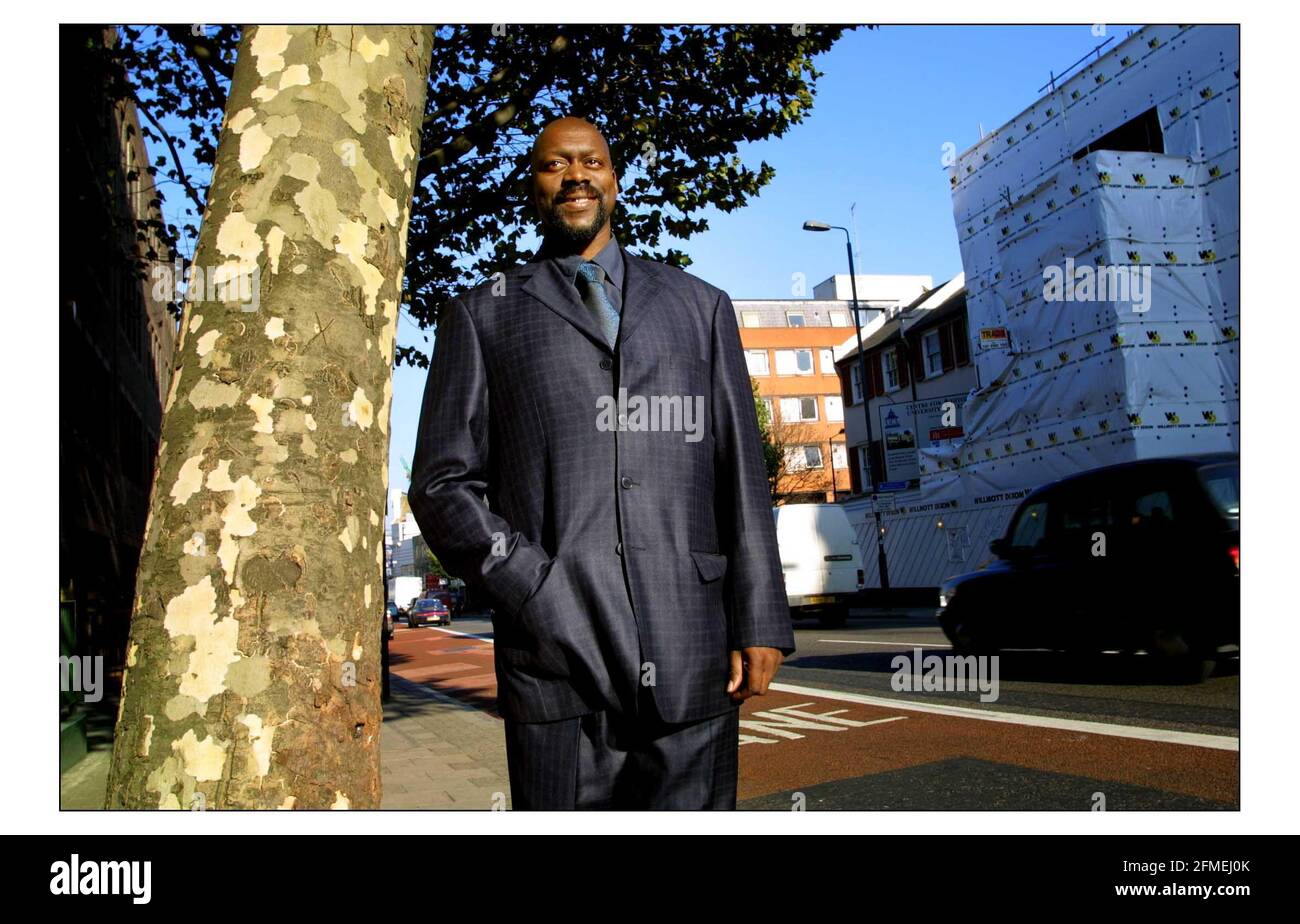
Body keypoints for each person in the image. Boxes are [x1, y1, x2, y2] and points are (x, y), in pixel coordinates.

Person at [408, 116, 794, 809]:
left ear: (614, 178)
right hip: (555, 658)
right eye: (555, 165)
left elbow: (740, 473)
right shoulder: (482, 314)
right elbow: (441, 483)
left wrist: (760, 617)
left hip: (691, 644)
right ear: (533, 186)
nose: (576, 176)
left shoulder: (700, 307)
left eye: (591, 162)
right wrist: (533, 585)